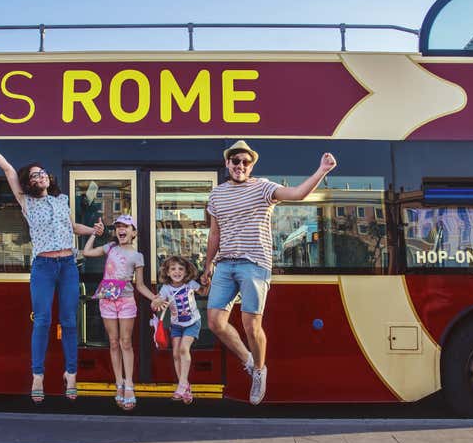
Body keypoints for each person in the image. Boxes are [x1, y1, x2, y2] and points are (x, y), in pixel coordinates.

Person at [0, 125, 104, 404]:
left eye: (42, 172)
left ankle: (70, 374)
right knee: (42, 321)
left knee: (69, 322)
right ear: (29, 183)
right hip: (43, 267)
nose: (41, 176)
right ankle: (38, 376)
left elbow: (72, 228)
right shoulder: (27, 202)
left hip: (68, 264)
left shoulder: (62, 200)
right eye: (35, 175)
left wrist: (93, 231)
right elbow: (8, 170)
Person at [202, 140, 337, 405]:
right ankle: (250, 362)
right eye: (235, 161)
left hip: (254, 264)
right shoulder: (217, 194)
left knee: (252, 327)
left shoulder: (264, 187)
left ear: (251, 166)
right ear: (227, 163)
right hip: (225, 264)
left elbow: (298, 194)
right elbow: (215, 233)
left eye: (245, 162)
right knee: (215, 322)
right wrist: (208, 263)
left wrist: (322, 170)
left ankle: (260, 372)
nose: (240, 165)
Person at [82, 214, 157, 411]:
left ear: (134, 233)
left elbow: (139, 285)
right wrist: (94, 233)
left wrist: (154, 298)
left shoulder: (137, 256)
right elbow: (87, 252)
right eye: (118, 227)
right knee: (113, 343)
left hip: (126, 301)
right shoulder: (110, 248)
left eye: (126, 227)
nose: (121, 230)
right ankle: (119, 383)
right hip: (107, 300)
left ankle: (129, 384)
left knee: (125, 342)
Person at [151, 256, 210, 404]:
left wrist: (207, 283)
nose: (177, 272)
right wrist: (156, 302)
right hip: (176, 325)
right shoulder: (166, 289)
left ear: (186, 272)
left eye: (180, 269)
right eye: (173, 269)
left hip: (192, 322)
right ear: (167, 272)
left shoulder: (189, 284)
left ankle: (182, 385)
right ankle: (185, 386)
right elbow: (155, 304)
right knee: (176, 354)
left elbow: (203, 292)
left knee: (184, 349)